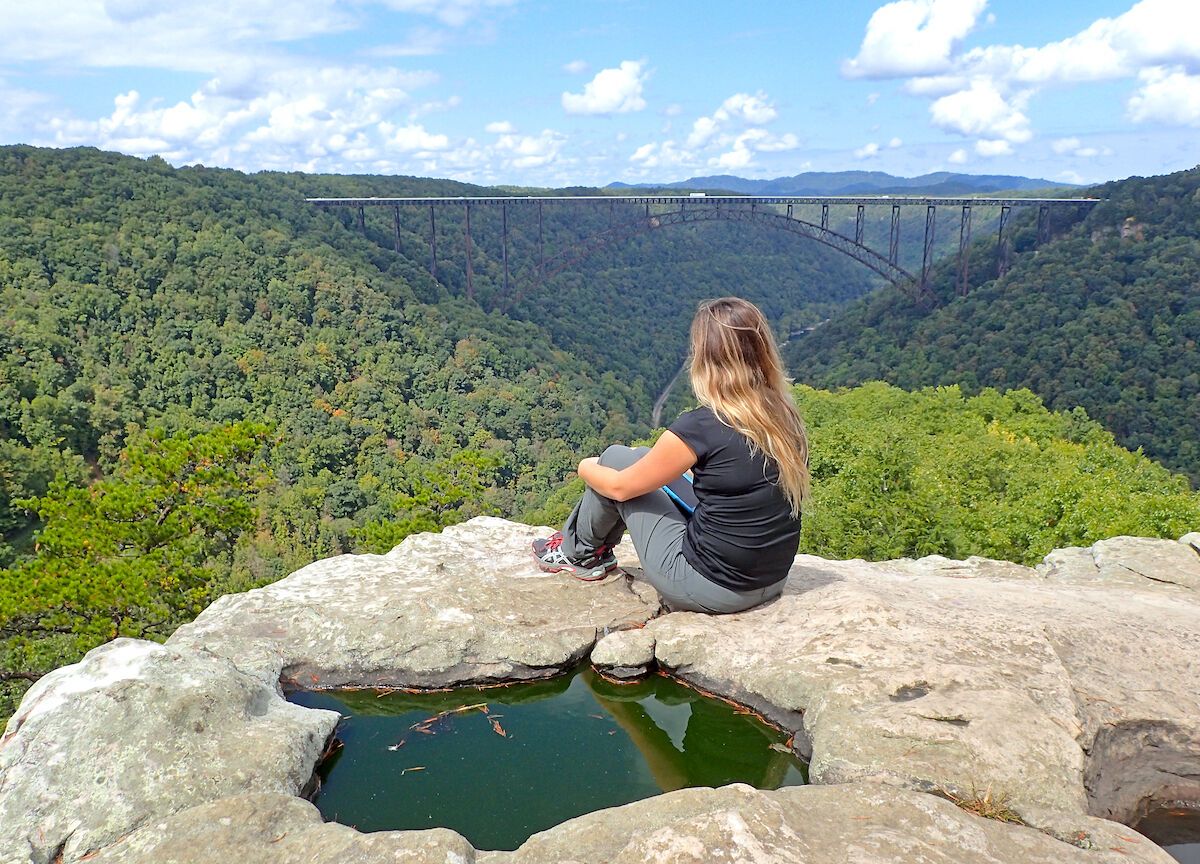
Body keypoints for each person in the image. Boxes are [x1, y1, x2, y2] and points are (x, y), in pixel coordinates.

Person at [532, 297, 810, 614]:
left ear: (705, 359)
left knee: (613, 460)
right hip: (771, 580)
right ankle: (584, 548)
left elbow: (619, 488)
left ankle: (579, 554)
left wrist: (584, 466)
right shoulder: (782, 415)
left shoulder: (702, 426)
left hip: (709, 587)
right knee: (637, 456)